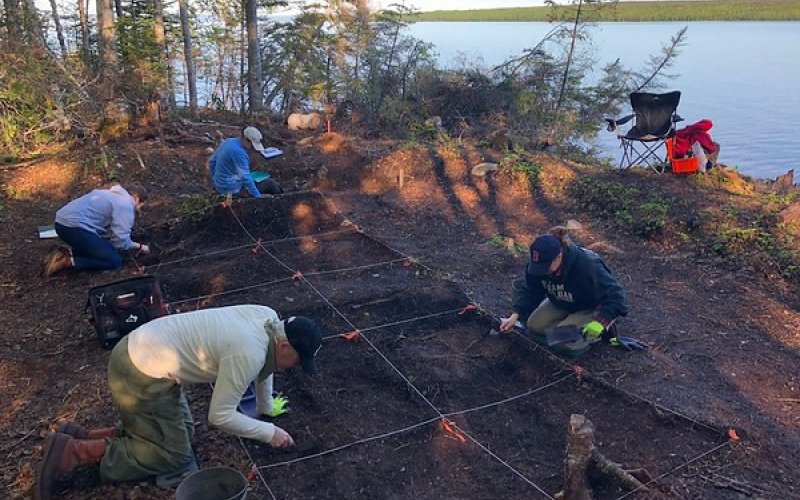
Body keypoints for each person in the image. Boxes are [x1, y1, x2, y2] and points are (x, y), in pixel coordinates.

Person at [34, 305, 323, 500]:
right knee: (174, 456)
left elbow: (268, 365)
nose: (296, 366)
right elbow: (220, 416)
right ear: (284, 345)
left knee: (185, 431)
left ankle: (87, 436)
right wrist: (269, 433)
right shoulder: (248, 352)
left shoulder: (268, 318)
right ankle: (73, 451)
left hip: (147, 354)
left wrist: (265, 406)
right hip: (139, 373)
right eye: (298, 360)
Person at [499, 227, 628, 355]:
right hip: (564, 300)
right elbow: (532, 291)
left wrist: (601, 321)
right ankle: (569, 325)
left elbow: (617, 296)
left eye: (545, 266)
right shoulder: (538, 265)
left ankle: (599, 331)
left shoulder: (587, 266)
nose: (541, 270)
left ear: (559, 256)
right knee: (534, 326)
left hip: (591, 306)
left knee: (561, 339)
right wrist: (515, 315)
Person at [42, 184, 150, 278]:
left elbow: (108, 232)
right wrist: (139, 246)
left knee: (105, 248)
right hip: (75, 228)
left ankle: (63, 253)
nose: (139, 209)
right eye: (141, 205)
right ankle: (66, 261)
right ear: (136, 198)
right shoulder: (125, 205)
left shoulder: (107, 194)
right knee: (114, 260)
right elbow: (120, 241)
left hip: (61, 224)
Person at [208, 126, 284, 198]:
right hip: (234, 190)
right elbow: (245, 177)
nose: (251, 147)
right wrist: (258, 196)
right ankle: (283, 197)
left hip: (221, 186)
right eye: (251, 144)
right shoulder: (239, 153)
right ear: (245, 138)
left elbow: (212, 161)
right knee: (270, 183)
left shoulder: (227, 142)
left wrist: (216, 181)